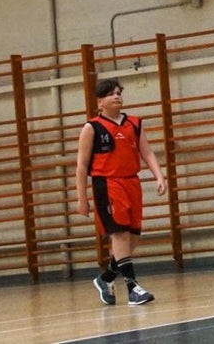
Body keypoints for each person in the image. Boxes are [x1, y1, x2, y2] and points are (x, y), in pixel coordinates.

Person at [75, 78, 166, 307]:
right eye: (110, 94)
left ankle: (106, 278)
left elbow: (147, 152)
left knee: (132, 237)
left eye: (118, 92)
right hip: (107, 184)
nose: (116, 96)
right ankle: (132, 287)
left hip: (131, 183)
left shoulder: (134, 123)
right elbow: (82, 166)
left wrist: (159, 176)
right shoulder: (92, 127)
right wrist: (82, 198)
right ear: (100, 102)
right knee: (120, 235)